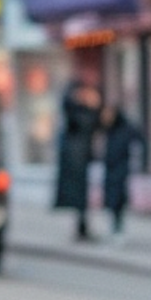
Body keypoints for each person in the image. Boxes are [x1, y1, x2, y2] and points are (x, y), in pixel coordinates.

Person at [54, 76, 101, 242]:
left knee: (81, 197)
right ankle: (81, 228)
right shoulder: (75, 109)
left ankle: (82, 227)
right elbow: (87, 123)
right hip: (76, 159)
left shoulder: (75, 108)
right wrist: (92, 108)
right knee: (79, 196)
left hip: (80, 157)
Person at [100, 99, 146, 233]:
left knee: (118, 196)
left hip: (121, 167)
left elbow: (140, 141)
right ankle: (115, 225)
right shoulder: (108, 129)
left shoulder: (126, 128)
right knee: (112, 197)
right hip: (110, 167)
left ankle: (117, 226)